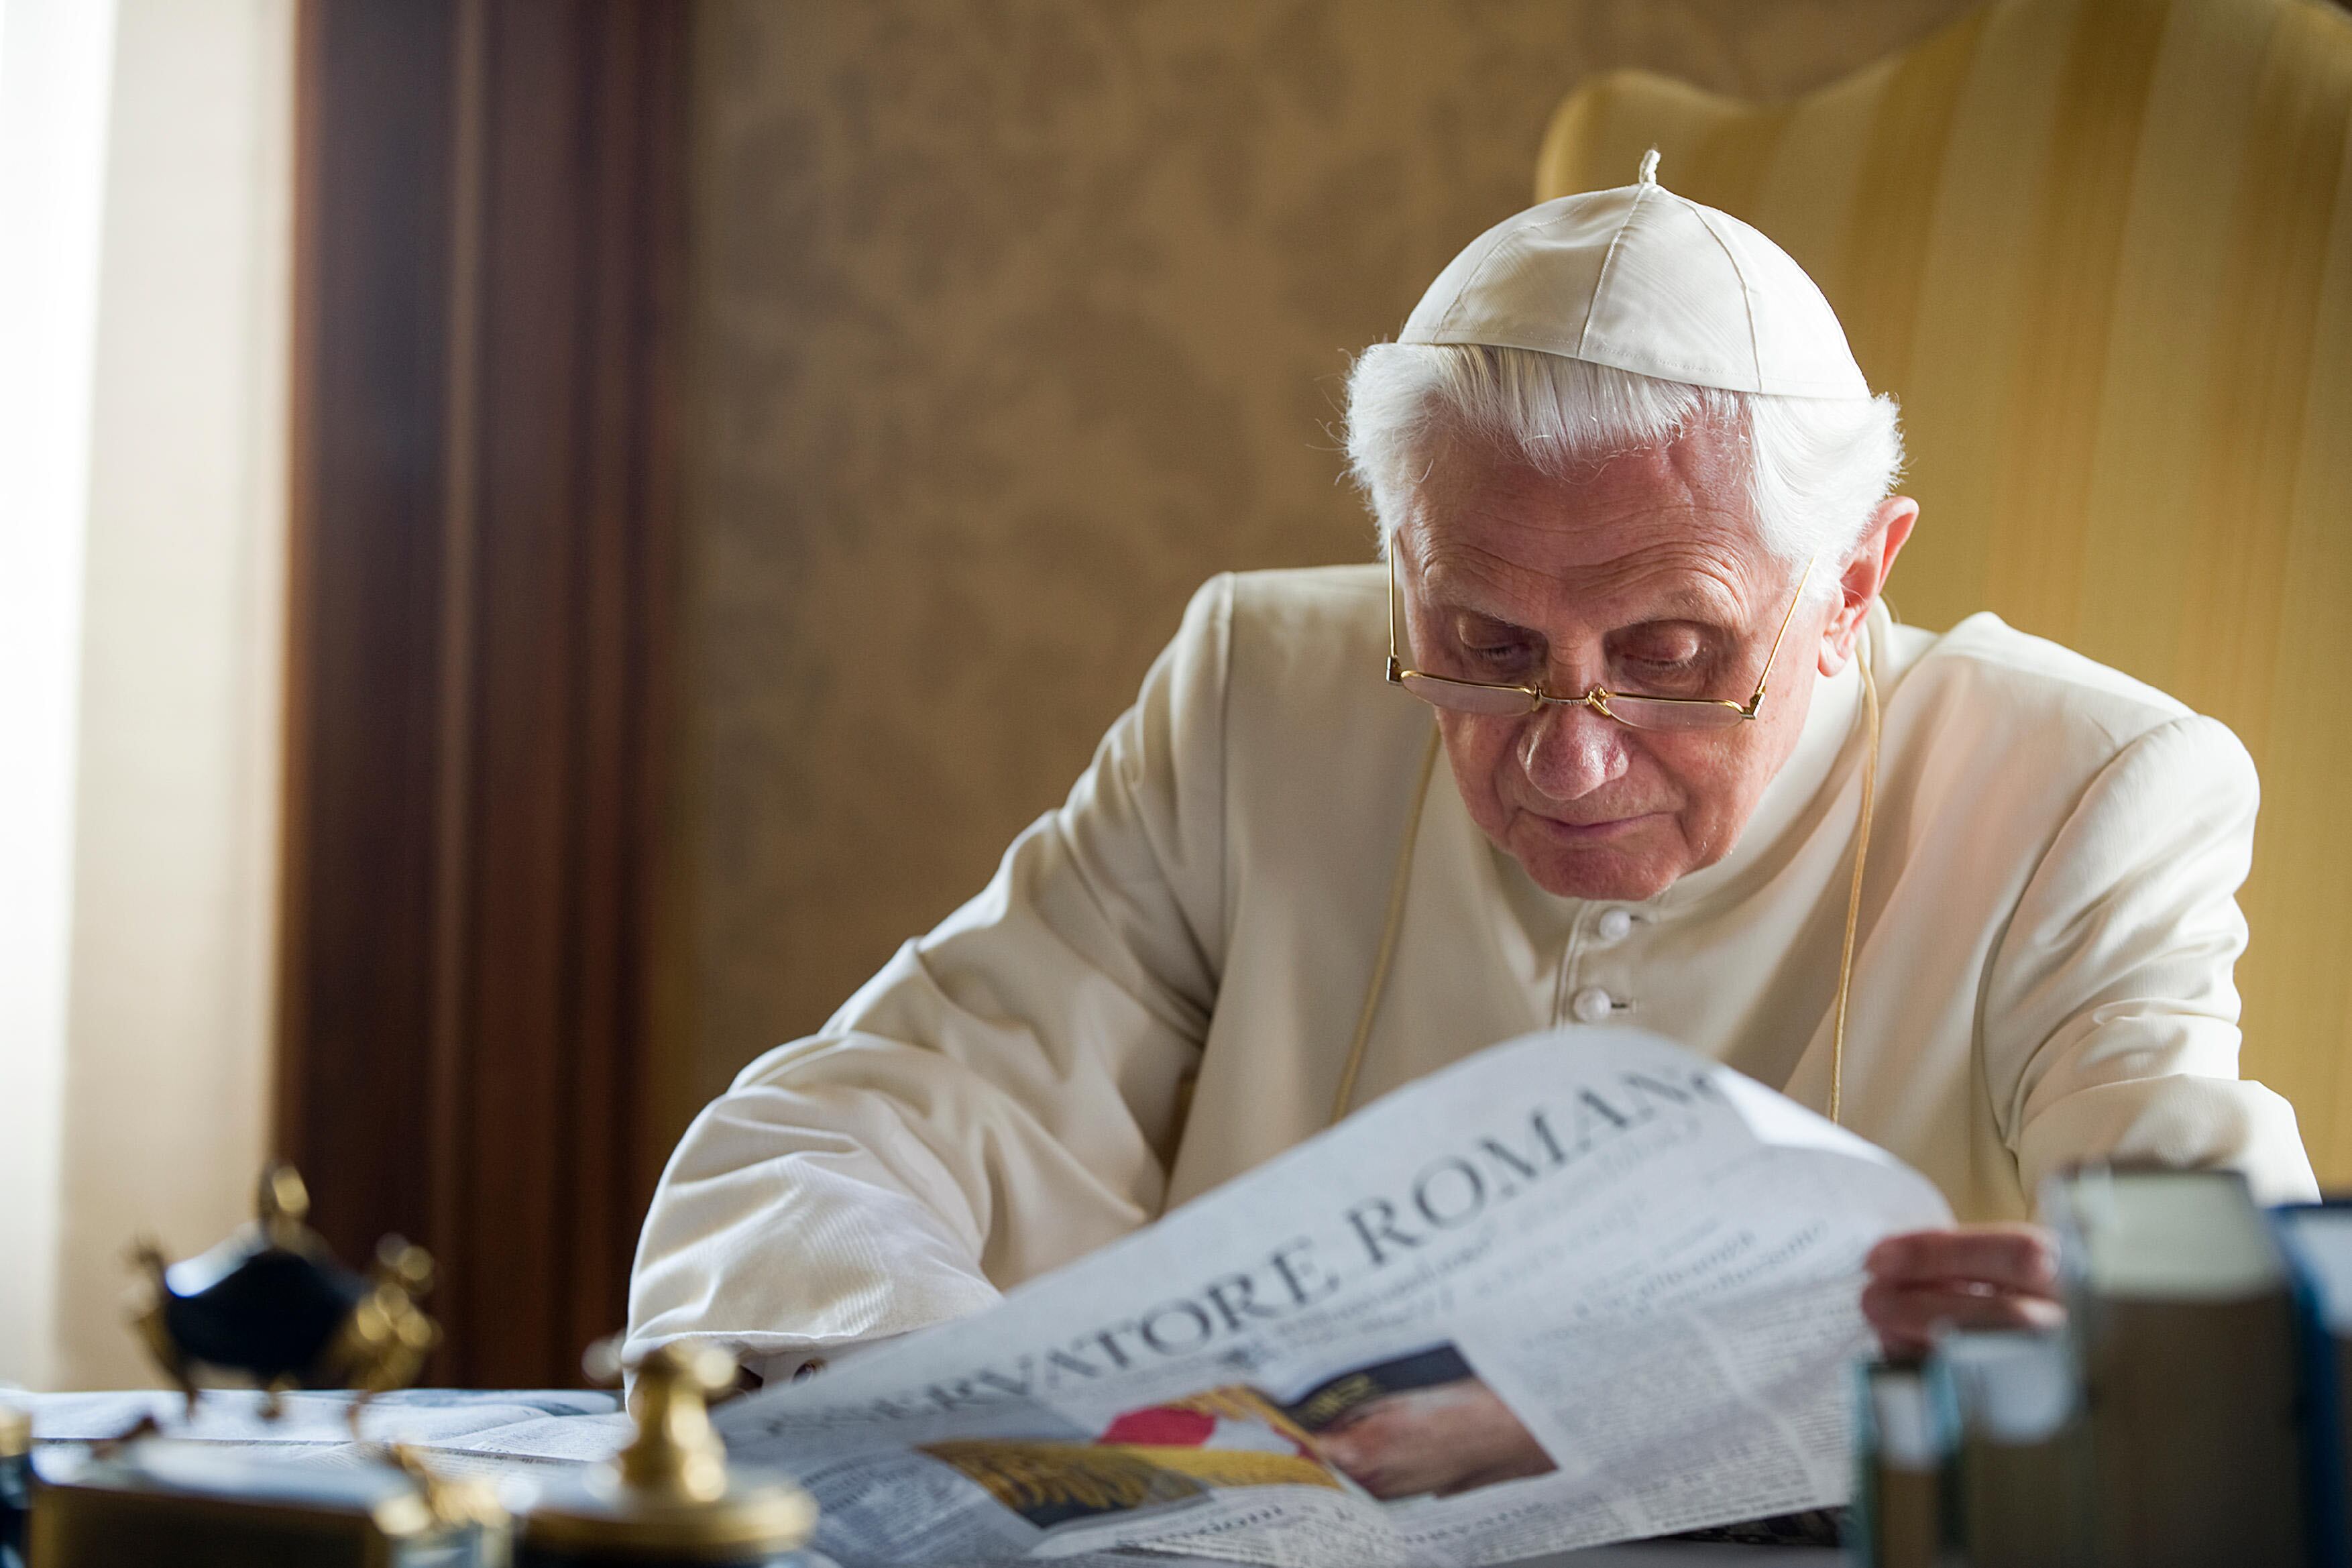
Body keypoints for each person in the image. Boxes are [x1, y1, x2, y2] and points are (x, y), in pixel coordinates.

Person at [626, 157, 2317, 1406]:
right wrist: (953, 1401)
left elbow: (2216, 1263)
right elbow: (831, 1137)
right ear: (1399, 564)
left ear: (1852, 586)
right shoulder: (1258, 697)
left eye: (1669, 649)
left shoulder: (2082, 790)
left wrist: (2127, 1337)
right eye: (1483, 641)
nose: (1565, 753)